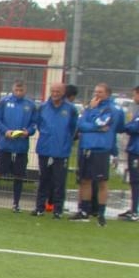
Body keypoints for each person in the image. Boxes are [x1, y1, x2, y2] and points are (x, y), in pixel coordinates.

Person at [70, 83, 125, 226]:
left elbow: (104, 124)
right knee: (85, 180)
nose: (96, 94)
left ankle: (101, 214)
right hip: (85, 148)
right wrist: (91, 111)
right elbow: (81, 125)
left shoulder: (112, 109)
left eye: (100, 92)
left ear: (108, 93)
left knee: (102, 182)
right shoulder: (91, 107)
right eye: (95, 91)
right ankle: (84, 211)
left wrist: (92, 121)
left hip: (100, 149)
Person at [0, 79, 38, 212]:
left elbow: (34, 123)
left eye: (21, 90)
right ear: (12, 89)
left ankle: (16, 204)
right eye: (16, 90)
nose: (19, 92)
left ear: (25, 90)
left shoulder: (30, 105)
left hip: (21, 147)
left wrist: (28, 132)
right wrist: (5, 131)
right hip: (4, 146)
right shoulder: (3, 102)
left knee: (19, 175)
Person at [32, 82, 78, 218]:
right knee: (43, 180)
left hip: (61, 151)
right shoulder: (43, 107)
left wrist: (64, 140)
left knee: (59, 182)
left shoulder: (70, 109)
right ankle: (39, 208)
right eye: (53, 91)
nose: (55, 94)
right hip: (45, 149)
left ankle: (58, 210)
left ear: (63, 92)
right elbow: (39, 124)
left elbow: (73, 127)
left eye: (58, 91)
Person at [120, 86, 139, 221]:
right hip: (134, 148)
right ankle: (133, 208)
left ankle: (135, 211)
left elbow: (135, 127)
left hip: (137, 150)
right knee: (134, 180)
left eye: (135, 95)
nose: (134, 98)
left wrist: (124, 126)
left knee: (136, 180)